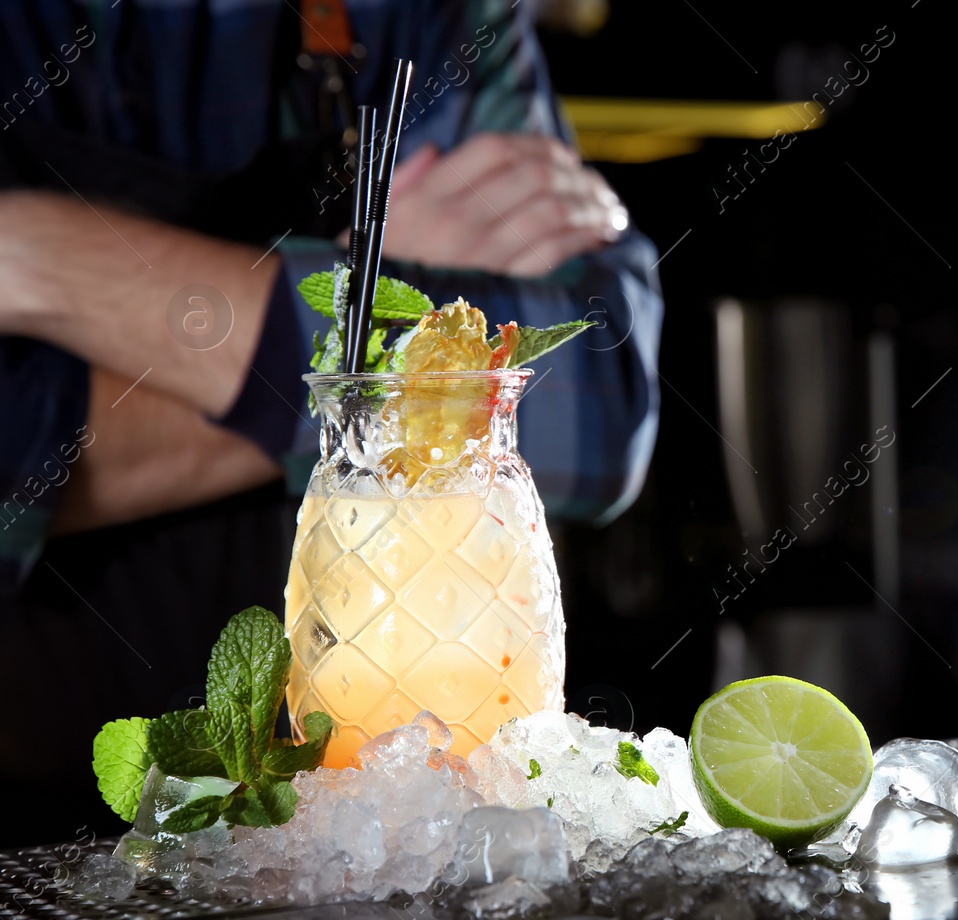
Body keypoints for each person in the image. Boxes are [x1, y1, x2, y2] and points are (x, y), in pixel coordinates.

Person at [0, 0, 661, 844]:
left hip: (362, 834)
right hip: (31, 847)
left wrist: (33, 260)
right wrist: (369, 340)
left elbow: (601, 403)